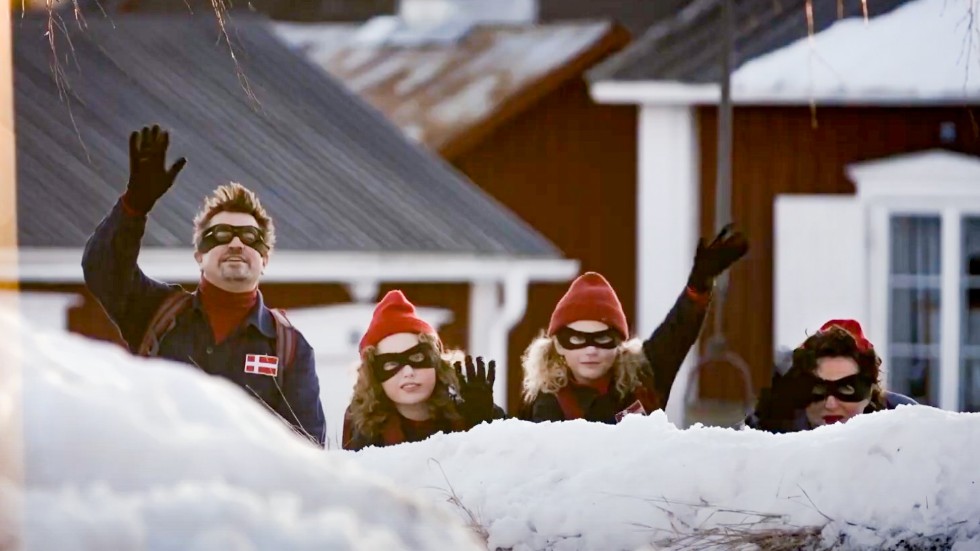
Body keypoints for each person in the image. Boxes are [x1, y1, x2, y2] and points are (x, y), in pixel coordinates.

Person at [82, 124, 325, 446]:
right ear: (199, 255)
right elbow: (101, 269)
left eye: (251, 238)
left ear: (264, 259)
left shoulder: (290, 348)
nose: (236, 242)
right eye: (221, 235)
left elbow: (307, 449)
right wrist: (133, 208)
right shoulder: (155, 311)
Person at [520, 226, 749, 423]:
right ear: (558, 346)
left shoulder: (644, 378)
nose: (591, 350)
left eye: (602, 339)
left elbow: (678, 330)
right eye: (577, 339)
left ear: (619, 343)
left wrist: (698, 284)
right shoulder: (547, 403)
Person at [342, 290, 505, 450]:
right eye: (391, 364)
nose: (408, 372)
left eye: (417, 358)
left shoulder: (466, 410)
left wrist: (486, 421)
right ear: (375, 374)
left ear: (436, 362)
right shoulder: (362, 423)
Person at [744, 319, 917, 433]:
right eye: (818, 388)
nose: (830, 404)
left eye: (847, 388)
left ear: (870, 389)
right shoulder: (766, 431)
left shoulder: (908, 426)